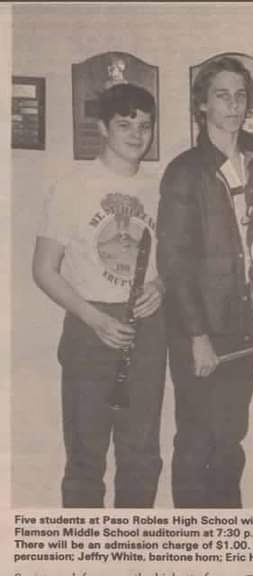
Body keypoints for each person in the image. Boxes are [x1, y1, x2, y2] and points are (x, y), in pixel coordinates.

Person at [156, 56, 253, 508]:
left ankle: (225, 545)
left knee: (230, 442)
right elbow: (173, 260)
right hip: (200, 330)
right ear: (202, 105)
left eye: (240, 95)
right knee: (196, 441)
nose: (233, 105)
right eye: (221, 95)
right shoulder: (185, 171)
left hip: (244, 325)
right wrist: (196, 336)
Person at [32, 83, 165, 507]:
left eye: (144, 125)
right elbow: (43, 270)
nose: (136, 133)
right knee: (86, 458)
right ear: (104, 127)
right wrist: (95, 319)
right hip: (90, 327)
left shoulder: (160, 186)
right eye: (125, 123)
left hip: (146, 327)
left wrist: (160, 287)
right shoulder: (72, 185)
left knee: (141, 455)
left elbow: (174, 263)